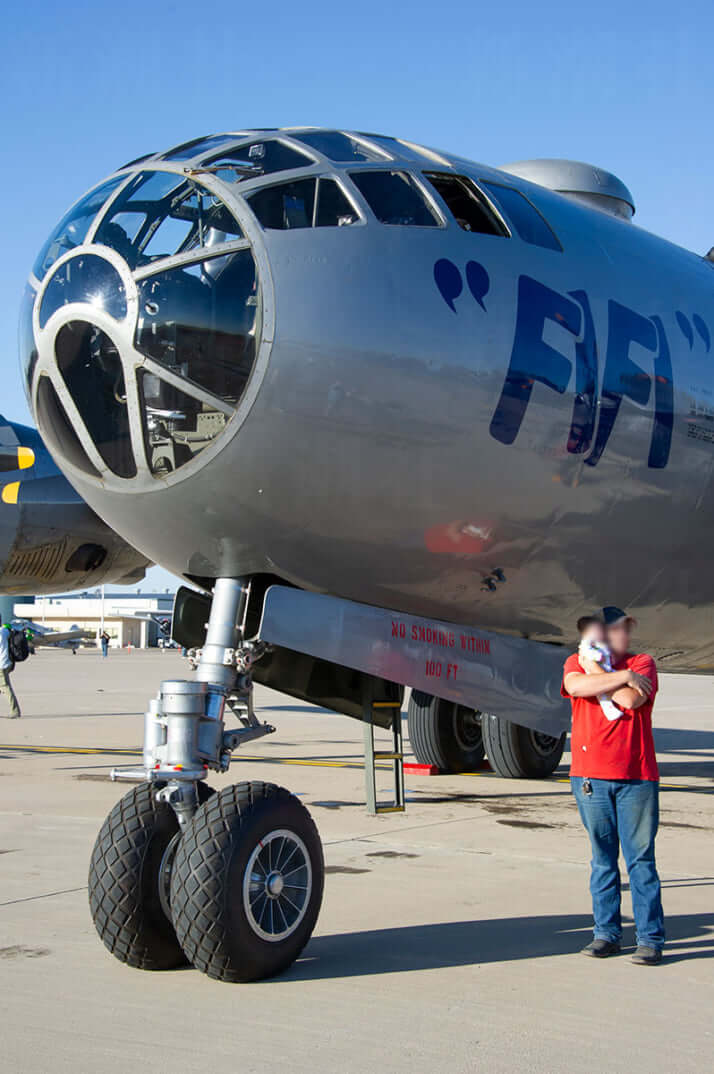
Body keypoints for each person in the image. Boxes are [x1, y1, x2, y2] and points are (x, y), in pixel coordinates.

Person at [561, 606, 665, 965]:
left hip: (636, 778)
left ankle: (650, 938)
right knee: (602, 861)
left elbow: (629, 699)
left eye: (624, 630)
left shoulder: (643, 663)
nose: (623, 636)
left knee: (640, 861)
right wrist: (608, 673)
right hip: (590, 778)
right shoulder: (576, 663)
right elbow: (575, 685)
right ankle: (606, 934)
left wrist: (605, 673)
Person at [577, 616, 621, 721]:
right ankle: (610, 712)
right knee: (602, 694)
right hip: (594, 670)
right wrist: (597, 656)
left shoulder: (598, 641)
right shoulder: (587, 642)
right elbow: (586, 651)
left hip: (606, 668)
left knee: (618, 679)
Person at [0, 623, 21, 719]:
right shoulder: (4, 631)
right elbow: (9, 627)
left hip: (1, 665)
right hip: (6, 663)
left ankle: (15, 711)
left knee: (5, 687)